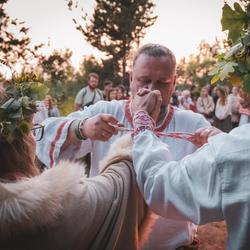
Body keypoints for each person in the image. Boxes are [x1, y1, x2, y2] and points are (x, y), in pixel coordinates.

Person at [36, 43, 211, 250]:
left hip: (173, 245)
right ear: (131, 79)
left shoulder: (193, 124)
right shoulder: (106, 111)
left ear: (173, 83)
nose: (152, 90)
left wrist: (215, 142)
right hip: (110, 240)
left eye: (162, 83)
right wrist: (82, 128)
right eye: (144, 80)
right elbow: (43, 132)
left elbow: (218, 178)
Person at [130, 45, 250, 250]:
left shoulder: (244, 147)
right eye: (143, 80)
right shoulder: (240, 146)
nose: (152, 89)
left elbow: (162, 188)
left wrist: (142, 125)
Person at [0, 85, 147, 250]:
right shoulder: (56, 207)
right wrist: (143, 122)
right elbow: (120, 187)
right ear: (18, 141)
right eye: (30, 131)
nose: (34, 138)